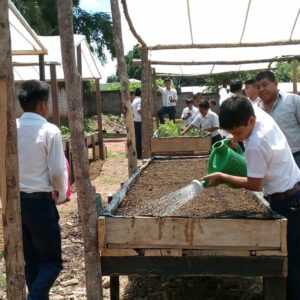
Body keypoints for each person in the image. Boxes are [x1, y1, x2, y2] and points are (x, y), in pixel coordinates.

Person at [202, 96, 300, 300]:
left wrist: (221, 177)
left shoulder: (256, 144)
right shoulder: (255, 111)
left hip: (287, 202)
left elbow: (254, 184)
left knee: (291, 262)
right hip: (293, 188)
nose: (235, 136)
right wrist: (235, 137)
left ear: (251, 122)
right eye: (231, 132)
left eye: (238, 132)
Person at [17, 80, 68, 299]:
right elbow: (57, 170)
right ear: (42, 105)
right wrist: (60, 192)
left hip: (16, 204)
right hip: (40, 203)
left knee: (32, 261)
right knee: (52, 262)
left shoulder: (10, 128)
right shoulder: (50, 131)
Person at [255, 71, 300, 168]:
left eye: (265, 85)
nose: (261, 89)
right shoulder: (256, 110)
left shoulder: (293, 100)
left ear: (275, 84)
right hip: (273, 163)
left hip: (296, 156)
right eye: (258, 87)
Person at [131, 87, 142, 159]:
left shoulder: (134, 100)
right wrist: (146, 116)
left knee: (138, 138)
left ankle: (138, 155)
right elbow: (139, 110)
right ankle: (140, 155)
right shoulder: (140, 100)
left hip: (135, 121)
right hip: (140, 121)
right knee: (141, 138)